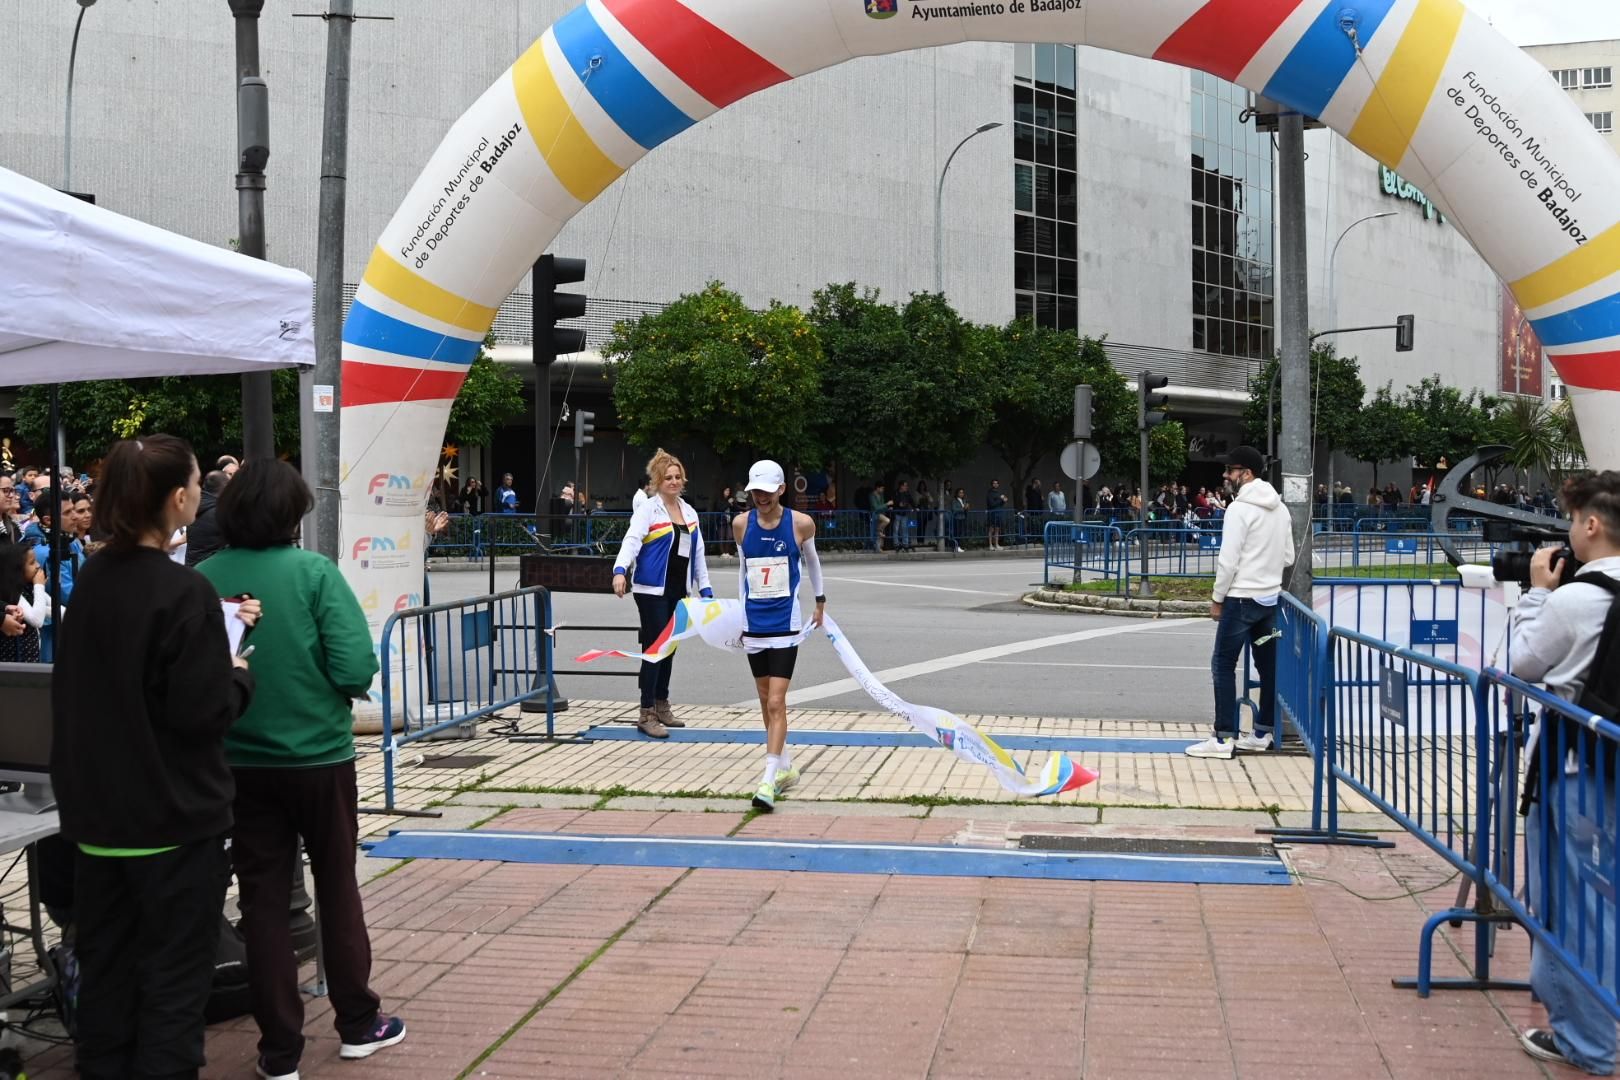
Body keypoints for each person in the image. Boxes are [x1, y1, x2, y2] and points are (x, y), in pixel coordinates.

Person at [49, 434, 258, 1080]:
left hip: (98, 825)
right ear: (177, 498)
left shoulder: (91, 584)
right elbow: (200, 712)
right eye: (197, 484)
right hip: (173, 826)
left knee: (107, 986)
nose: (201, 494)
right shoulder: (181, 592)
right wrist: (237, 672)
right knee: (173, 993)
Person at [196, 460, 405, 1077]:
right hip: (319, 757)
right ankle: (358, 1023)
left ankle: (279, 1051)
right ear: (292, 516)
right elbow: (353, 667)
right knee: (337, 883)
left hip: (238, 760)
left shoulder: (203, 577)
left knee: (260, 900)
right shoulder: (314, 573)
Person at [1509, 471, 1620, 1075]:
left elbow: (1524, 662)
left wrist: (1535, 593)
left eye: (1573, 521)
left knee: (1571, 905)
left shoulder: (1576, 599)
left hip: (1574, 768)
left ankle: (1587, 1043)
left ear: (1592, 524)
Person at [1187, 446, 1295, 759]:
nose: (1225, 476)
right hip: (1268, 599)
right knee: (1269, 667)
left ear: (1245, 473)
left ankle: (1222, 739)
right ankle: (1262, 732)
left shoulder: (1238, 510)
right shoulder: (1281, 509)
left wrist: (1216, 599)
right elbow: (1288, 556)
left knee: (1222, 664)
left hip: (1240, 600)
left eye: (1229, 470)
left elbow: (1228, 561)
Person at [733, 459, 825, 811]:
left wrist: (820, 601)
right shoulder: (741, 525)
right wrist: (739, 615)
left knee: (776, 701)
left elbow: (814, 563)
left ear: (781, 490)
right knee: (762, 697)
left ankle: (768, 780)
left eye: (767, 491)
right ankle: (785, 765)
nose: (761, 497)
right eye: (756, 491)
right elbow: (743, 570)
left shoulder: (800, 523)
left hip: (786, 624)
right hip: (754, 623)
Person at [612, 449, 714, 738]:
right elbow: (631, 540)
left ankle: (661, 703)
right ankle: (646, 713)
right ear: (657, 481)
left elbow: (699, 554)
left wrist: (705, 589)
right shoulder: (649, 509)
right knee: (655, 649)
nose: (673, 481)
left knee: (670, 648)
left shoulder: (689, 511)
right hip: (651, 590)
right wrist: (620, 571)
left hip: (678, 590)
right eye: (667, 477)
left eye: (677, 477)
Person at [0, 542, 46, 662]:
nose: (38, 566)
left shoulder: (27, 588)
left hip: (31, 656)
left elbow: (50, 607)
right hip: (17, 660)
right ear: (17, 569)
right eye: (32, 563)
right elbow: (37, 620)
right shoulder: (13, 593)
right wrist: (39, 586)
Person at [184, 470, 230, 567]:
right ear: (225, 487)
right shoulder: (220, 514)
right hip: (211, 571)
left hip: (193, 567)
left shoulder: (195, 506)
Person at [986, 479, 1008, 550]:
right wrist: (1000, 499)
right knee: (991, 529)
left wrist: (1004, 501)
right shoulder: (990, 493)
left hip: (999, 513)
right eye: (994, 483)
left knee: (997, 529)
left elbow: (1000, 504)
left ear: (998, 484)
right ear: (992, 484)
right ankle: (990, 545)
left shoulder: (998, 493)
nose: (995, 484)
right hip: (992, 513)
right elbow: (992, 504)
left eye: (996, 483)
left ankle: (996, 544)